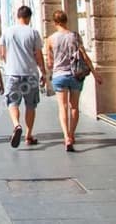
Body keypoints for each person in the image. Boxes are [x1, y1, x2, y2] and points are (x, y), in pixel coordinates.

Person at [47, 10, 102, 152]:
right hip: (75, 75)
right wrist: (95, 74)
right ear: (66, 20)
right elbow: (84, 56)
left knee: (62, 107)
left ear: (54, 23)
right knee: (74, 107)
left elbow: (49, 62)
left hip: (59, 76)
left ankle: (66, 137)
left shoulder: (51, 39)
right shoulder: (75, 36)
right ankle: (72, 134)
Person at [0, 6, 47, 148]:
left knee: (13, 103)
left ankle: (16, 124)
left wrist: (9, 64)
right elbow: (38, 55)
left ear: (17, 16)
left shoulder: (7, 32)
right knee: (30, 105)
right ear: (29, 17)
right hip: (30, 74)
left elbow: (2, 53)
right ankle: (28, 135)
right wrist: (43, 72)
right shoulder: (33, 32)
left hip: (13, 73)